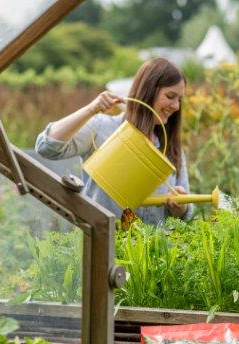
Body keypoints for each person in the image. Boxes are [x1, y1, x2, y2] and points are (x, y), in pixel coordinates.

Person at [35, 57, 194, 227]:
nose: (176, 106)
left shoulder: (170, 147)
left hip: (152, 252)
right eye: (170, 96)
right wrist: (91, 109)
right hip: (103, 247)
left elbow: (185, 213)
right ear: (147, 91)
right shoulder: (102, 129)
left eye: (180, 99)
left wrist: (181, 209)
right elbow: (47, 147)